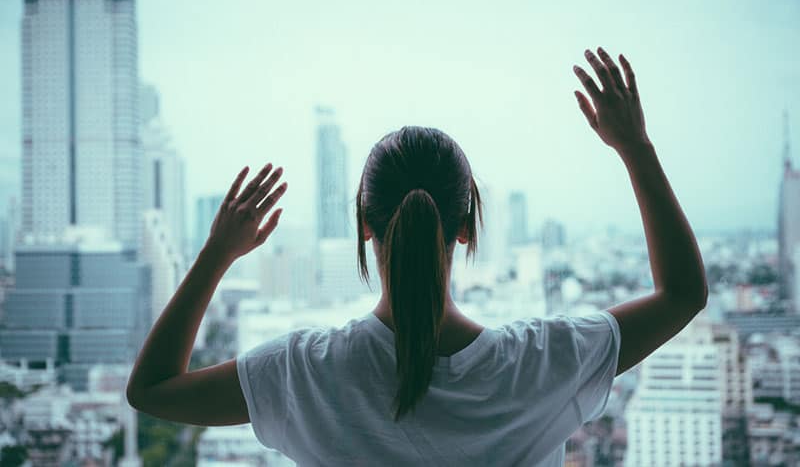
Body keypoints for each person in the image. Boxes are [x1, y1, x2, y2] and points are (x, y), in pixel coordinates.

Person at [126, 47, 708, 466]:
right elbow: (683, 294)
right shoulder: (543, 365)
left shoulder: (305, 374)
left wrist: (216, 254)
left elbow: (151, 390)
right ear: (467, 229)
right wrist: (636, 147)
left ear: (362, 227)